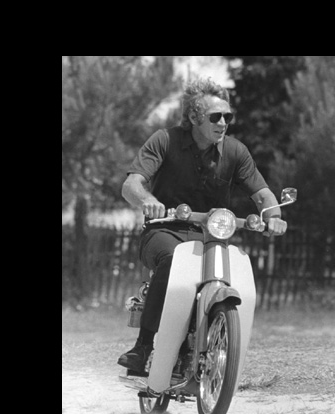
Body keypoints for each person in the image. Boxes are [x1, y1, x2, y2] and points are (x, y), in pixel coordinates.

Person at [118, 77, 287, 374]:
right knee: (174, 261)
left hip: (211, 235)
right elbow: (131, 185)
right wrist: (148, 201)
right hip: (163, 230)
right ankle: (143, 347)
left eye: (228, 117)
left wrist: (273, 216)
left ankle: (203, 346)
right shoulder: (164, 140)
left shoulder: (236, 151)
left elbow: (262, 194)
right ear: (195, 117)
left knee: (231, 274)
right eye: (215, 117)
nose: (223, 123)